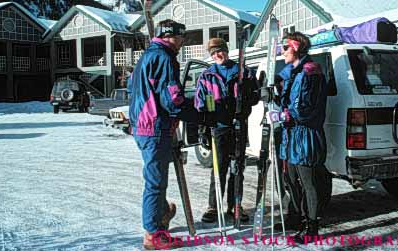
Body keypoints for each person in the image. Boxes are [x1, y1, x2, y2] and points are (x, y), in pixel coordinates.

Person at [129, 19, 214, 250]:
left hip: (143, 124)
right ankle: (153, 233)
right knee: (155, 182)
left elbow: (133, 90)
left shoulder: (146, 57)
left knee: (156, 178)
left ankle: (160, 215)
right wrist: (199, 114)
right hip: (154, 126)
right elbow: (173, 99)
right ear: (171, 36)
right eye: (181, 37)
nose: (182, 42)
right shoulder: (165, 58)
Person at [266, 31, 327, 243]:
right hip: (290, 134)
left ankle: (312, 227)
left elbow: (304, 108)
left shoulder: (311, 72)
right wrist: (271, 92)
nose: (282, 52)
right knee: (290, 178)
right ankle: (295, 216)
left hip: (305, 134)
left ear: (297, 49)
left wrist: (283, 115)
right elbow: (284, 91)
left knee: (308, 182)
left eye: (285, 48)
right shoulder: (293, 71)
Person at [194, 38, 259, 223]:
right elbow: (200, 103)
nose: (217, 55)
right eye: (213, 53)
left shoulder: (243, 72)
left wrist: (246, 97)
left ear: (226, 50)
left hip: (238, 125)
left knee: (237, 167)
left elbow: (255, 96)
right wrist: (204, 125)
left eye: (219, 51)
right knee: (218, 167)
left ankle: (235, 204)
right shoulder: (207, 76)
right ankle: (213, 207)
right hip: (219, 126)